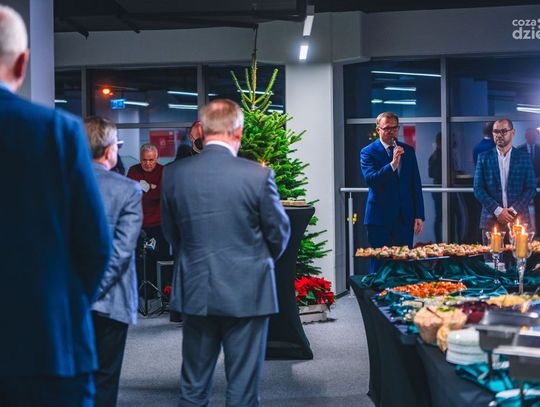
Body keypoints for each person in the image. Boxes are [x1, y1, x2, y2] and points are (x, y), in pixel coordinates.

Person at [0, 6, 111, 406]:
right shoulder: (56, 132)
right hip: (47, 346)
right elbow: (95, 245)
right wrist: (64, 303)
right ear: (23, 62)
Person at [161, 99, 290, 406]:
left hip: (196, 290)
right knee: (242, 392)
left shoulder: (174, 175)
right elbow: (278, 233)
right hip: (248, 291)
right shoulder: (257, 176)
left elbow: (171, 233)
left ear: (202, 132)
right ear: (239, 132)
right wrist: (256, 262)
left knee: (193, 389)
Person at [84, 117, 143, 407]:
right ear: (109, 150)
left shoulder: (57, 185)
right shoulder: (128, 189)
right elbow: (122, 252)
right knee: (105, 380)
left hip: (68, 301)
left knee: (71, 379)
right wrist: (93, 290)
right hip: (112, 301)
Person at [360, 112, 424, 273]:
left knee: (403, 265)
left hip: (404, 218)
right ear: (378, 129)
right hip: (379, 219)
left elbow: (415, 184)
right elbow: (371, 180)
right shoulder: (368, 152)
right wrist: (392, 165)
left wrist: (419, 214)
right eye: (387, 128)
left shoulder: (408, 151)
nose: (392, 132)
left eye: (395, 128)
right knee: (380, 266)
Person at [474, 119, 536, 237]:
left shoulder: (524, 157)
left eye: (503, 131)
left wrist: (512, 211)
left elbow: (531, 188)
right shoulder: (483, 158)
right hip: (491, 221)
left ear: (513, 133)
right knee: (492, 251)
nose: (499, 135)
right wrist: (498, 211)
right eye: (496, 131)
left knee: (519, 250)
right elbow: (478, 189)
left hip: (519, 221)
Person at [127, 144, 168, 287]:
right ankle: (142, 291)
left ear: (157, 158)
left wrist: (146, 188)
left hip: (159, 225)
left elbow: (161, 194)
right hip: (139, 225)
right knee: (140, 261)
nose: (148, 163)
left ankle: (160, 290)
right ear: (140, 158)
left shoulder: (164, 171)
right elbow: (131, 194)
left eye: (151, 160)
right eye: (144, 160)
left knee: (159, 259)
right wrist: (152, 187)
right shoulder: (134, 170)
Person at [517, 128, 540, 232]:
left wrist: (537, 179)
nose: (533, 137)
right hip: (524, 185)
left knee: (538, 208)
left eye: (534, 136)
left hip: (538, 184)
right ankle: (525, 230)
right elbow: (517, 167)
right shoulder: (519, 150)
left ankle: (538, 232)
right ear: (526, 137)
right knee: (522, 208)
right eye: (530, 135)